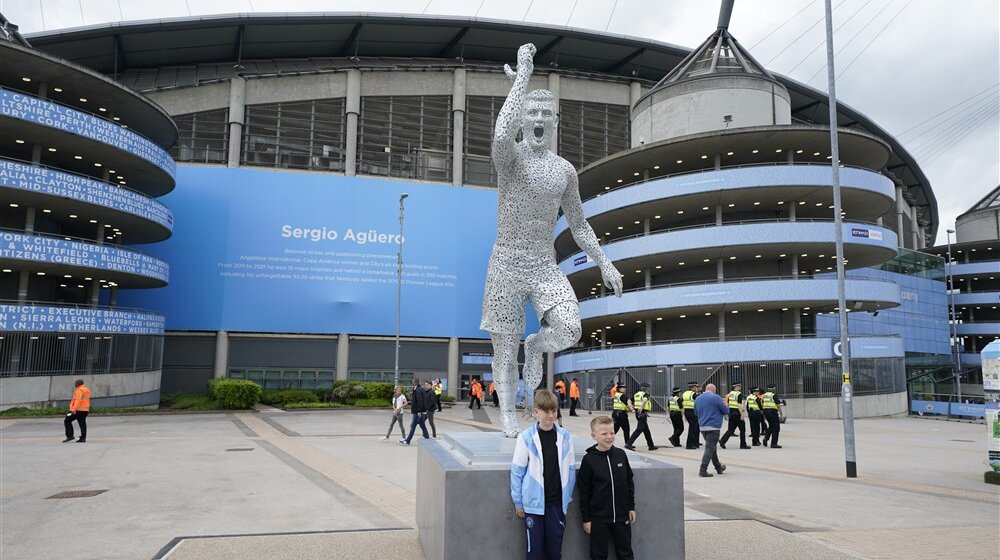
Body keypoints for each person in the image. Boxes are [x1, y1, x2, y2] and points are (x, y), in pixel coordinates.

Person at [481, 42, 623, 437]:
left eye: (546, 112)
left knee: (569, 329)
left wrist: (604, 262)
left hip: (543, 265)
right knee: (503, 347)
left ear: (556, 120)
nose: (539, 117)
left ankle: (537, 345)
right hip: (507, 261)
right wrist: (523, 76)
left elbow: (578, 224)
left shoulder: (565, 170)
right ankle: (508, 413)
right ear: (524, 119)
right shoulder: (509, 160)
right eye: (532, 112)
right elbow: (500, 132)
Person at [511, 390, 576, 560]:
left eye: (553, 411)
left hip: (556, 504)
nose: (550, 415)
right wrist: (518, 502)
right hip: (533, 505)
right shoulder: (526, 437)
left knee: (555, 551)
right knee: (534, 552)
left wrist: (566, 498)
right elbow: (517, 471)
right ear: (536, 412)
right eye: (546, 411)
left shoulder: (565, 436)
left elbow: (570, 470)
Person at [578, 416, 636, 560]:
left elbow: (629, 482)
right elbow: (584, 491)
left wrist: (631, 506)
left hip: (622, 516)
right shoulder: (589, 460)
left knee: (625, 553)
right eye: (604, 434)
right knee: (598, 555)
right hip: (598, 519)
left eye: (612, 433)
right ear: (594, 436)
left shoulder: (621, 455)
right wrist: (586, 519)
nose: (609, 437)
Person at [693, 383, 728, 477]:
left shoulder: (698, 398)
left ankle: (718, 467)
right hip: (713, 426)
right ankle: (703, 469)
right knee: (710, 448)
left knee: (712, 447)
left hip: (703, 427)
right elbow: (725, 411)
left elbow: (695, 411)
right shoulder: (716, 398)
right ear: (714, 390)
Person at [624, 382, 658, 451]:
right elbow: (645, 400)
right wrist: (641, 407)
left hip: (637, 413)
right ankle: (628, 444)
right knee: (639, 429)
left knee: (646, 431)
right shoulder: (646, 394)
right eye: (647, 387)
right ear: (645, 388)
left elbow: (629, 401)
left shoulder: (636, 394)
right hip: (642, 413)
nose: (648, 389)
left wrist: (631, 408)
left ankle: (651, 445)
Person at [719, 382, 750, 450]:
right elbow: (739, 405)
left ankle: (722, 441)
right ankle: (743, 444)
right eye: (739, 386)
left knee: (730, 429)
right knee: (742, 429)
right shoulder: (739, 394)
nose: (740, 387)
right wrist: (742, 415)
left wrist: (727, 413)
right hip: (737, 413)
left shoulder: (730, 394)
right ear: (735, 387)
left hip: (731, 413)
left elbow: (727, 404)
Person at [400, 379, 430, 445]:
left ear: (414, 383)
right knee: (422, 425)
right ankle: (427, 438)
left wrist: (419, 411)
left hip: (417, 411)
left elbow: (419, 401)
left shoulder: (418, 390)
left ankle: (408, 441)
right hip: (419, 411)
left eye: (413, 383)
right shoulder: (420, 389)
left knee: (413, 426)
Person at [63, 379, 90, 443]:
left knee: (67, 420)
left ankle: (70, 435)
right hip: (85, 410)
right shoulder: (86, 389)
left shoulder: (79, 390)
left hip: (78, 410)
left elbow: (78, 401)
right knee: (82, 424)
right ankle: (83, 438)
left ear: (78, 384)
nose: (74, 384)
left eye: (75, 383)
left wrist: (73, 410)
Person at [682, 381, 701, 449]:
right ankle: (689, 444)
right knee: (693, 429)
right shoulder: (694, 394)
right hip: (693, 412)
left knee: (694, 428)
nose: (697, 388)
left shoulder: (685, 393)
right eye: (696, 387)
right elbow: (700, 401)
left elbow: (682, 402)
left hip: (687, 412)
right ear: (693, 387)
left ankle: (695, 442)